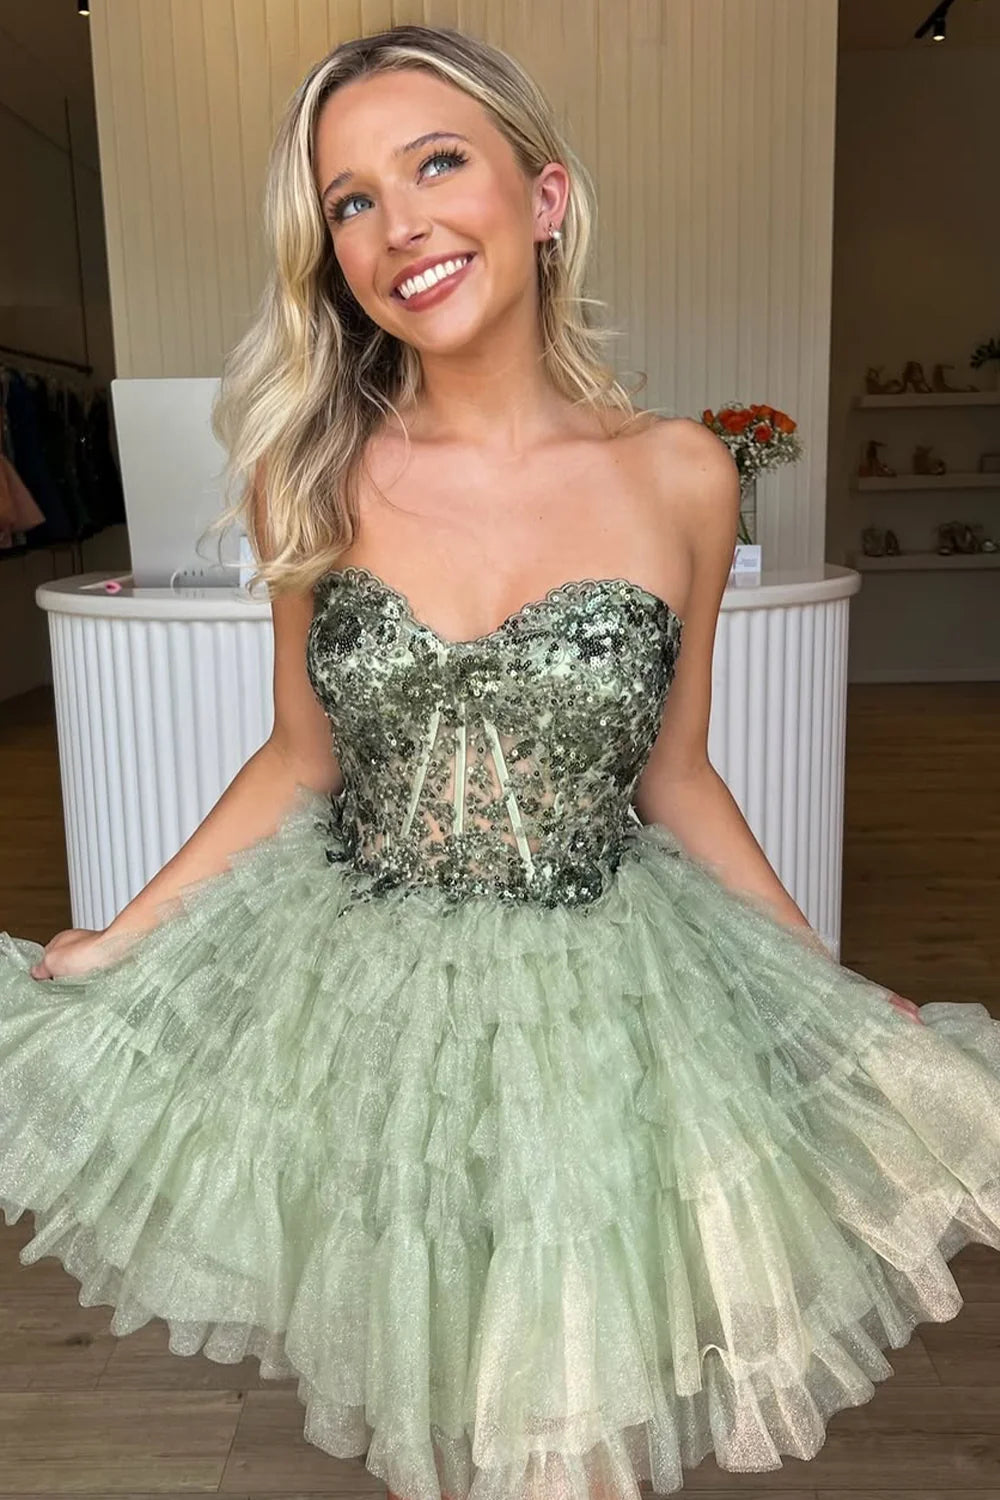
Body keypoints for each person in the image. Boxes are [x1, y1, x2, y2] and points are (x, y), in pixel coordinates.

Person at [1, 22, 998, 1500]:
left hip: (602, 1019)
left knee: (567, 1435)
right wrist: (120, 939)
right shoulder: (309, 467)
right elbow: (298, 758)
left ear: (544, 197)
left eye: (437, 163)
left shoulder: (682, 474)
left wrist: (832, 991)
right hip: (365, 1006)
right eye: (349, 199)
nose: (397, 223)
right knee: (442, 1406)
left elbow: (679, 775)